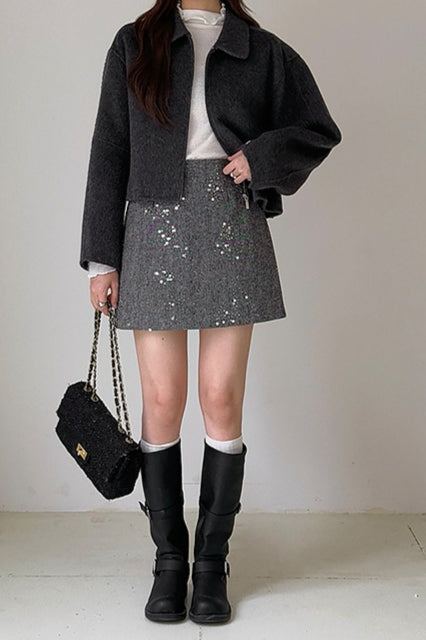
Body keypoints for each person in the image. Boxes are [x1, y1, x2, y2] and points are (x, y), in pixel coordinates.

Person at [79, 0, 342, 625]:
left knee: (221, 396)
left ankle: (212, 562)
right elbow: (110, 147)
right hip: (152, 229)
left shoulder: (260, 48)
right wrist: (101, 259)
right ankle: (170, 560)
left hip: (231, 224)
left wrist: (260, 157)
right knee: (162, 400)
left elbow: (318, 128)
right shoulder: (133, 42)